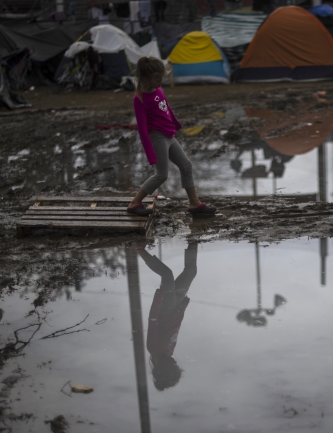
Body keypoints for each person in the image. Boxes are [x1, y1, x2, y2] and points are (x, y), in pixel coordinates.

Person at [127, 57, 217, 216]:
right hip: (157, 138)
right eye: (156, 79)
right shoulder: (139, 99)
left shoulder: (159, 90)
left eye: (162, 78)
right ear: (146, 79)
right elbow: (142, 129)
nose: (160, 82)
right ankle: (134, 203)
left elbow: (166, 108)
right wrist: (150, 154)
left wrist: (175, 123)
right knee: (161, 175)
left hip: (169, 135)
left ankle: (194, 204)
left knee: (186, 166)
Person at [137, 241, 198, 390]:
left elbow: (152, 321)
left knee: (167, 274)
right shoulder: (168, 352)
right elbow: (175, 327)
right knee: (190, 271)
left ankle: (138, 248)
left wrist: (159, 299)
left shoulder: (153, 348)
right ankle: (193, 241)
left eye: (173, 366)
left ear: (162, 368)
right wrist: (182, 306)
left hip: (165, 308)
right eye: (176, 366)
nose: (175, 362)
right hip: (177, 306)